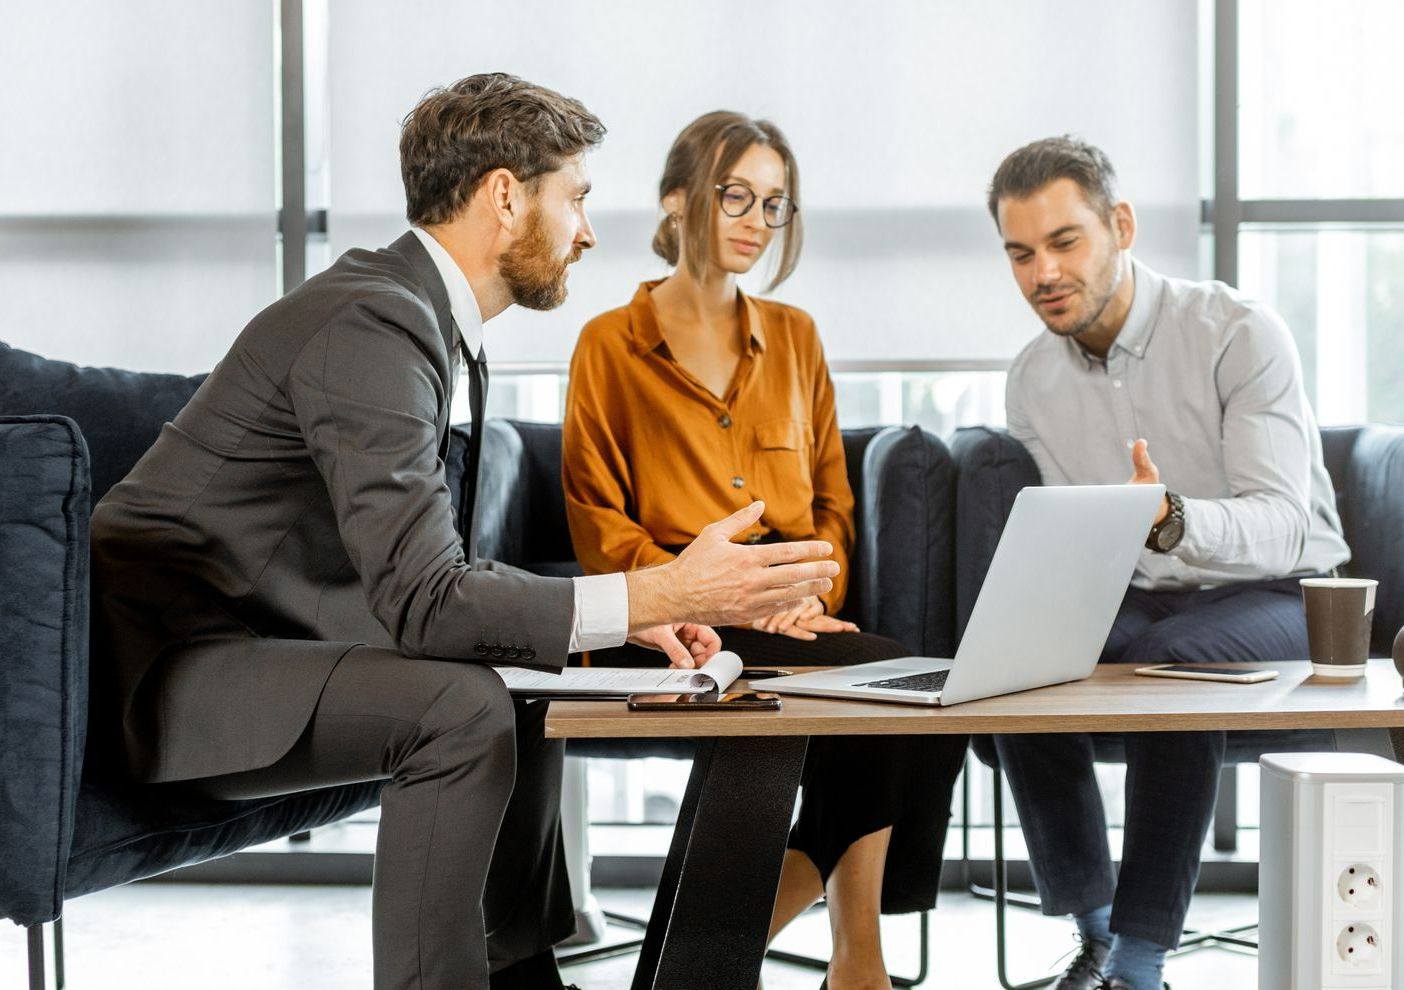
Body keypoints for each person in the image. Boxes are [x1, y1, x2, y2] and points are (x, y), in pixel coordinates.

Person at [90, 74, 842, 990]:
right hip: (172, 681)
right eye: (577, 199)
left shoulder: (418, 321)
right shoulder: (373, 319)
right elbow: (427, 600)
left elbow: (424, 566)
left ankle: (523, 971)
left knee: (522, 673)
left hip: (254, 649)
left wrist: (620, 618)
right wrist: (665, 590)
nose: (590, 231)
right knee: (462, 709)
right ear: (505, 195)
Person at [562, 110, 968, 990]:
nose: (755, 218)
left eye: (774, 203)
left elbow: (833, 506)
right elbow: (597, 519)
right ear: (677, 200)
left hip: (788, 614)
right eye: (734, 193)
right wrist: (700, 596)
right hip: (674, 625)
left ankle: (821, 951)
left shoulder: (795, 336)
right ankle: (807, 953)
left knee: (925, 691)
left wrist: (808, 593)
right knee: (901, 683)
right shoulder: (608, 344)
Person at [982, 136, 1350, 990]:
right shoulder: (1032, 378)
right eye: (1021, 253)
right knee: (1011, 658)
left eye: (1065, 242)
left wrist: (1173, 518)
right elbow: (1082, 536)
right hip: (1147, 597)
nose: (1044, 274)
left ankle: (1140, 964)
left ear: (1121, 225)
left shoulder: (1236, 332)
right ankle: (1098, 929)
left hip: (1284, 592)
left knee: (1175, 669)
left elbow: (1287, 524)